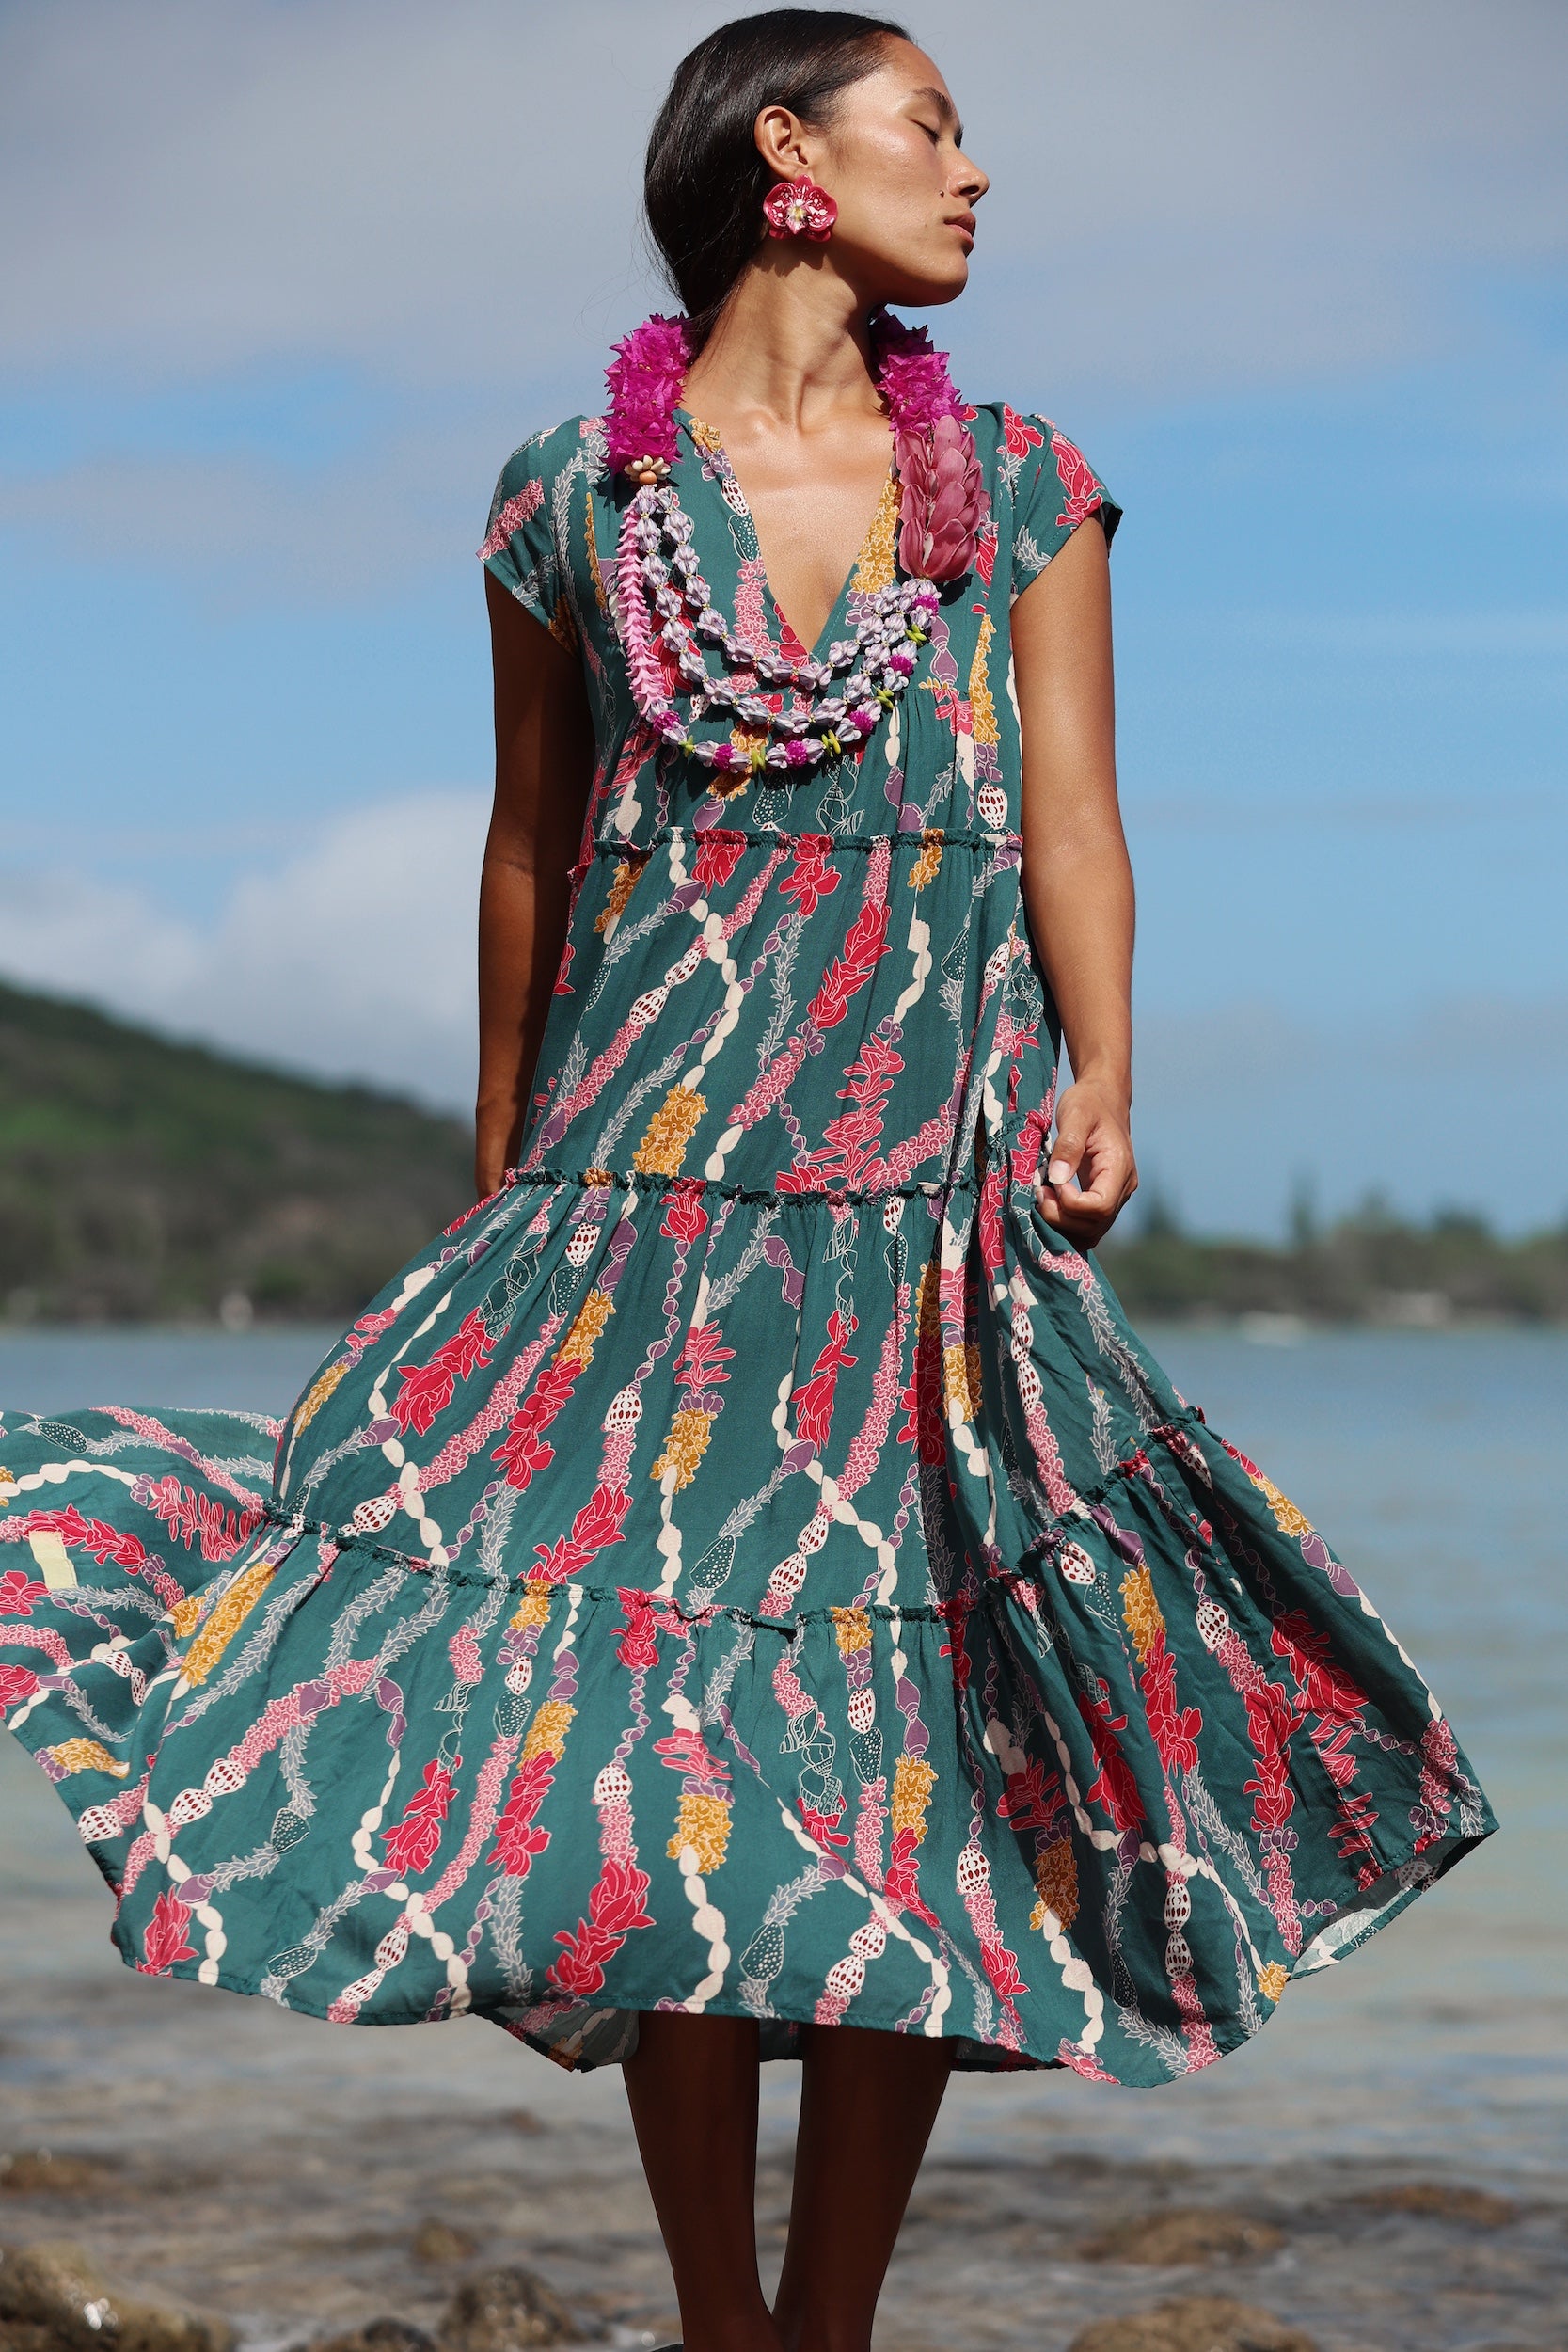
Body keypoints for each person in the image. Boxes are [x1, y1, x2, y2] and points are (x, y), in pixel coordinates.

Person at [1, 14, 1497, 2352]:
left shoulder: (1011, 484)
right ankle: (724, 2322)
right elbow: (528, 851)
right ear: (789, 157)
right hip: (641, 1211)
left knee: (905, 1781)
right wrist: (504, 1178)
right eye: (933, 124)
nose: (978, 172)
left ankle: (835, 2324)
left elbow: (1077, 811)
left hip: (926, 1201)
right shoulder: (567, 504)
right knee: (659, 1782)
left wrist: (1108, 1062)